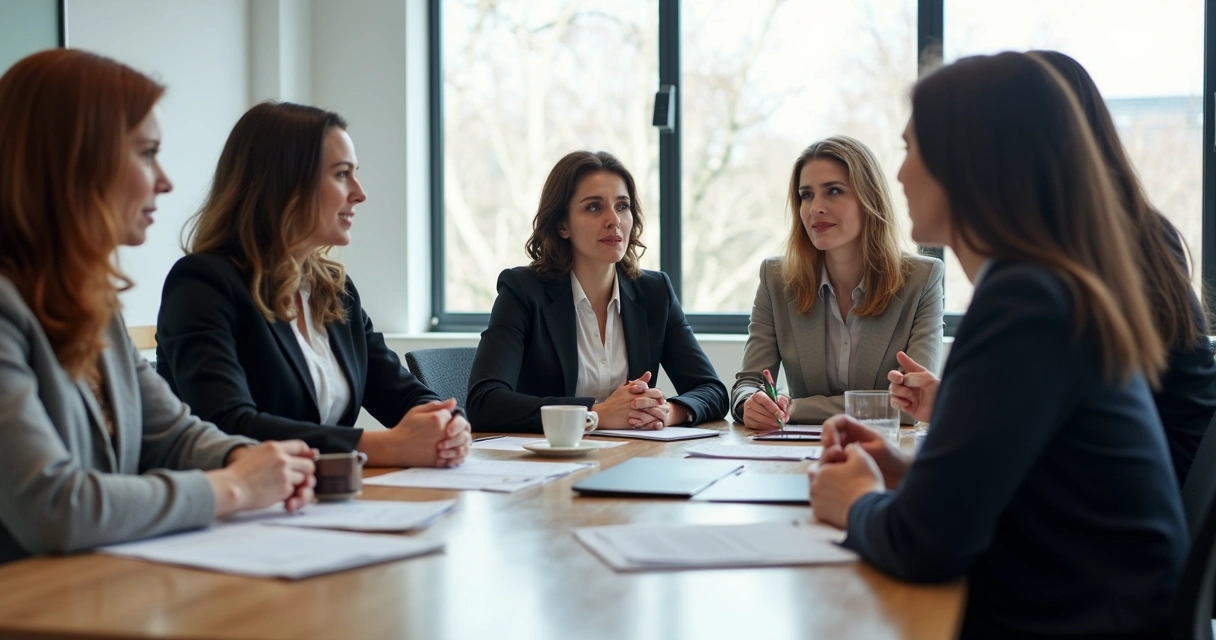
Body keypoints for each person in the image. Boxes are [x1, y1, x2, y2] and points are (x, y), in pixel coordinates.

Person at [810, 52, 1186, 638]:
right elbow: (1023, 484)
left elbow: (924, 544)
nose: (900, 174)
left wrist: (856, 500)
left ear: (966, 162)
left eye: (911, 149)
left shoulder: (1025, 299)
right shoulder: (1042, 284)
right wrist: (904, 475)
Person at [0, 50, 317, 563]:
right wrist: (235, 486)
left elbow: (172, 435)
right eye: (147, 154)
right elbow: (53, 507)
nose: (164, 181)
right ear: (74, 162)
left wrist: (247, 457)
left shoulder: (93, 304)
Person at [156, 102, 470, 468]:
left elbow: (400, 393)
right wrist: (383, 446)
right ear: (285, 183)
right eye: (342, 174)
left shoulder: (336, 290)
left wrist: (447, 423)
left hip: (325, 495)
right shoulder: (202, 284)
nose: (359, 193)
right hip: (234, 498)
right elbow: (228, 425)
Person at [467, 150, 729, 433]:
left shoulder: (655, 293)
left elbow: (712, 391)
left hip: (630, 454)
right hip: (548, 456)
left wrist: (664, 412)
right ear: (562, 226)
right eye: (594, 207)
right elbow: (485, 403)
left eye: (622, 206)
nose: (614, 220)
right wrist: (595, 414)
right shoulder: (522, 291)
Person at [732, 136, 943, 429]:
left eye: (833, 191)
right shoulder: (776, 278)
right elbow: (750, 381)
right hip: (797, 452)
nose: (815, 208)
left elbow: (910, 405)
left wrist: (796, 407)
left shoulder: (922, 279)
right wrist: (749, 403)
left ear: (869, 199)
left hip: (885, 449)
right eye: (806, 195)